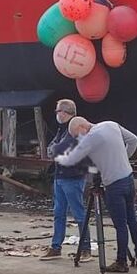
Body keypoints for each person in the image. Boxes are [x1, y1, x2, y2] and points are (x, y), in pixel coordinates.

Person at [54, 117, 137, 273]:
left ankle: (121, 261)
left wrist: (57, 154)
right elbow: (134, 140)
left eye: (77, 134)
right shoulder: (111, 125)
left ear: (82, 126)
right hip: (128, 178)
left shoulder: (90, 138)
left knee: (120, 225)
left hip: (113, 184)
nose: (78, 138)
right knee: (132, 219)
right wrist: (124, 158)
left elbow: (72, 160)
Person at [41, 99, 92, 262]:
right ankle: (56, 247)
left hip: (73, 176)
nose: (56, 114)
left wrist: (55, 150)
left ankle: (85, 249)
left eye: (57, 111)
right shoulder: (62, 129)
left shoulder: (75, 128)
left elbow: (57, 149)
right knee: (59, 212)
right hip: (60, 175)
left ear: (64, 112)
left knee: (78, 213)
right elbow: (54, 148)